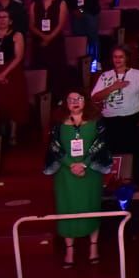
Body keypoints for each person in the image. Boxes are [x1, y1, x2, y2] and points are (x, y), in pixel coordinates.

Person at [43, 91, 111, 265]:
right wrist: (70, 164)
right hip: (65, 174)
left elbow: (101, 143)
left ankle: (93, 248)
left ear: (85, 101)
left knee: (91, 206)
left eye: (79, 99)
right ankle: (69, 250)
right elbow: (54, 146)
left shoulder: (97, 121)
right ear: (65, 102)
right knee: (67, 209)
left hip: (90, 173)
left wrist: (84, 164)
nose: (75, 102)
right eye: (71, 99)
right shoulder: (58, 122)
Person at [89, 47, 139, 177]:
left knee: (135, 152)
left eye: (121, 57)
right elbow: (95, 97)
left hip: (132, 119)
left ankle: (134, 180)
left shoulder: (137, 74)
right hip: (111, 121)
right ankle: (114, 180)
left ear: (127, 58)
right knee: (113, 152)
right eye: (115, 57)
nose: (117, 59)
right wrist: (113, 87)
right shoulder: (105, 76)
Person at [0, 10, 29, 144]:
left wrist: (4, 73)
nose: (2, 19)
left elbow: (19, 57)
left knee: (13, 103)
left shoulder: (17, 35)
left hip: (12, 72)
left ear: (10, 21)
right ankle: (1, 131)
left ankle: (13, 133)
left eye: (5, 17)